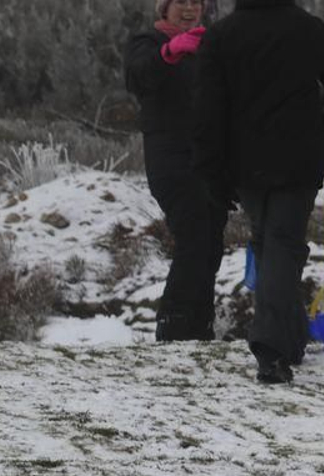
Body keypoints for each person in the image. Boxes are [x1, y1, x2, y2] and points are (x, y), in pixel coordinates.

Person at [194, 0, 324, 383]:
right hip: (299, 159)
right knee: (282, 245)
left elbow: (206, 110)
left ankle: (288, 338)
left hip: (245, 163)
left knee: (269, 243)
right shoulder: (308, 29)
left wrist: (213, 174)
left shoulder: (221, 36)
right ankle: (273, 349)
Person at [125, 0, 227, 342]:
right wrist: (168, 53)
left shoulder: (210, 44)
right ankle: (173, 325)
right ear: (164, 8)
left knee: (212, 240)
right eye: (180, 2)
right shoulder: (148, 42)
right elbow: (138, 76)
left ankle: (201, 326)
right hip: (170, 159)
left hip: (209, 159)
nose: (189, 9)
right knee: (194, 235)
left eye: (195, 3)